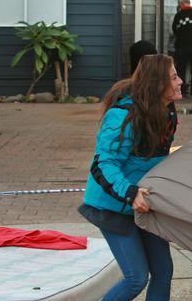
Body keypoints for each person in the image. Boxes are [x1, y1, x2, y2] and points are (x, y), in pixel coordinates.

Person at [78, 54, 182, 300]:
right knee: (136, 278)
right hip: (114, 206)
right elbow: (103, 163)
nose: (180, 82)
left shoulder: (166, 112)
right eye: (174, 77)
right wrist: (130, 192)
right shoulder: (123, 115)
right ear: (157, 83)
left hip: (143, 204)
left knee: (163, 271)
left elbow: (151, 157)